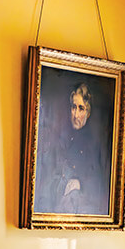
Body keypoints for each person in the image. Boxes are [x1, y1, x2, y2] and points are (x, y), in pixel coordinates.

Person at [35, 82, 113, 216]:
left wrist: (80, 183)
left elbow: (99, 186)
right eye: (73, 107)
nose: (75, 114)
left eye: (81, 109)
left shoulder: (94, 145)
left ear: (88, 113)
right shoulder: (62, 139)